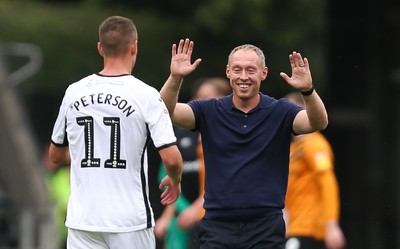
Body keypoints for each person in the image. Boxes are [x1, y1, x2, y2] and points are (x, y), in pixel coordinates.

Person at [160, 38, 329, 249]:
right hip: (217, 225)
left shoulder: (280, 111)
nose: (243, 77)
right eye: (237, 69)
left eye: (251, 70)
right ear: (228, 72)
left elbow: (318, 122)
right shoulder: (209, 110)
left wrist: (308, 91)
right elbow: (166, 111)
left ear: (263, 73)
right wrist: (175, 77)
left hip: (265, 226)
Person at [48, 16, 183, 249]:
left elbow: (56, 155)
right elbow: (171, 159)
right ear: (134, 46)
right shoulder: (146, 94)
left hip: (83, 220)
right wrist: (176, 179)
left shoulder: (73, 92)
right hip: (129, 220)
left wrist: (87, 154)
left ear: (100, 48)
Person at [155, 77, 231, 249]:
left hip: (213, 216)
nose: (198, 101)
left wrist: (195, 210)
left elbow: (221, 182)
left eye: (206, 96)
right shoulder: (182, 135)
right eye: (198, 96)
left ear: (224, 99)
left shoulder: (228, 138)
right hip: (182, 216)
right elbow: (169, 177)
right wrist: (171, 214)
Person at [284, 92, 346, 249]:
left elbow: (328, 183)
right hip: (295, 227)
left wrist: (331, 225)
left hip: (310, 228)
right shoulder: (293, 148)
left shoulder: (314, 144)